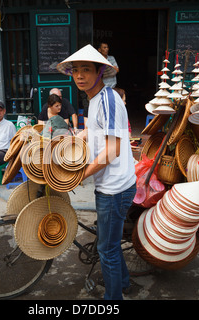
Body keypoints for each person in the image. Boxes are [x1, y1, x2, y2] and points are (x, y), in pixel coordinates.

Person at [57, 44, 136, 300]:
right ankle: (123, 282)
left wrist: (80, 175)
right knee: (109, 243)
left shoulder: (108, 100)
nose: (80, 75)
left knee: (107, 249)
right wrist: (68, 138)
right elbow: (92, 131)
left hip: (115, 188)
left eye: (86, 70)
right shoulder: (94, 99)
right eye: (76, 70)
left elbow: (112, 150)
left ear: (100, 72)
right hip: (109, 184)